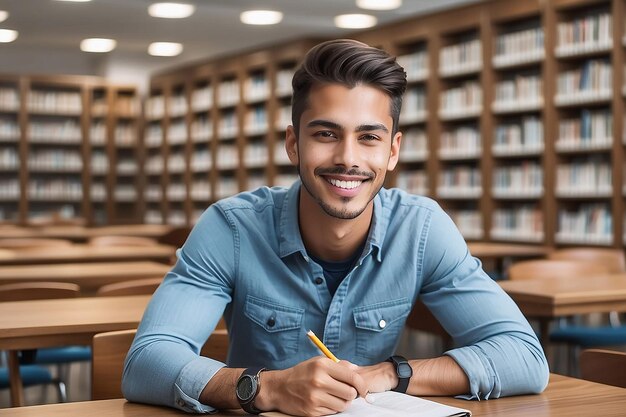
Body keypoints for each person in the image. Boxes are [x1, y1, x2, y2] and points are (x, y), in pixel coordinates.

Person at [122, 39, 549, 416]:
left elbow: (524, 358)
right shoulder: (230, 228)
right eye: (326, 134)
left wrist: (390, 374)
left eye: (369, 138)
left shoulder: (422, 229)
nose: (348, 158)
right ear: (294, 143)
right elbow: (147, 362)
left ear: (393, 150)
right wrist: (267, 388)